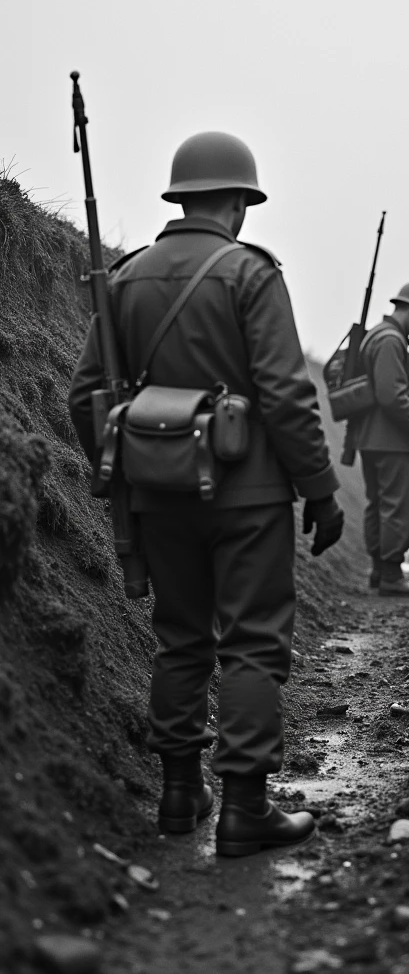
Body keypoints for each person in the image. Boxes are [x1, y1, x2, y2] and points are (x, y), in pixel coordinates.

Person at [68, 131, 344, 857]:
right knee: (251, 646)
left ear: (180, 198)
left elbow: (84, 398)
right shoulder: (251, 274)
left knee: (179, 642)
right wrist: (319, 490)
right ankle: (246, 810)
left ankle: (179, 795)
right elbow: (286, 396)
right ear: (241, 204)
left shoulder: (123, 279)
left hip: (157, 498)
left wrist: (123, 469)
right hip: (248, 498)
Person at [351, 283, 409, 596]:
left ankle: (379, 571)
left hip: (370, 436)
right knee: (395, 507)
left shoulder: (378, 334)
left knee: (378, 504)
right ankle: (390, 574)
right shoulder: (390, 340)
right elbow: (391, 395)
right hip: (388, 438)